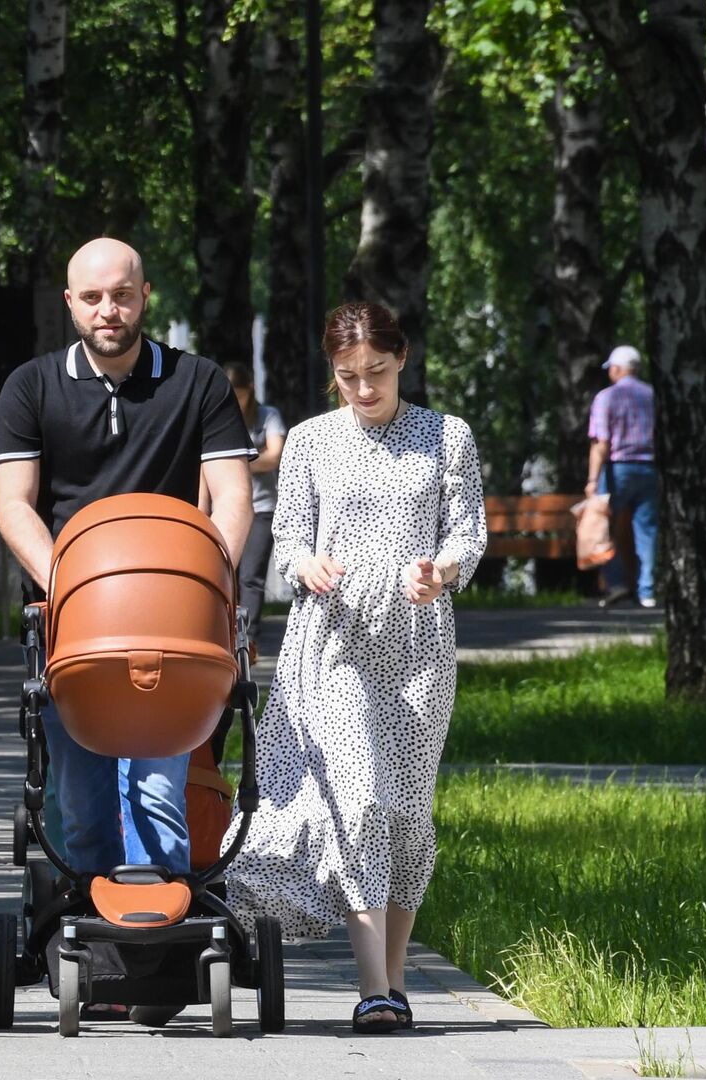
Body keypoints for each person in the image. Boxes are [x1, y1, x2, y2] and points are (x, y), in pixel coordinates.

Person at [0, 237, 256, 1024]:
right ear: (70, 304)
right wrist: (71, 583)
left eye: (123, 295)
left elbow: (231, 499)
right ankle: (101, 953)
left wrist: (207, 580)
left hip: (173, 621)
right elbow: (15, 505)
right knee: (78, 797)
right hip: (78, 618)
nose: (110, 311)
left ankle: (159, 957)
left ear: (146, 296)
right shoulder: (32, 386)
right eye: (93, 298)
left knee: (158, 785)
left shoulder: (198, 382)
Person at [223, 301, 487, 1035]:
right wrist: (306, 564)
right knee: (361, 796)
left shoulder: (447, 435)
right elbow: (290, 538)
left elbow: (468, 529)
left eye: (375, 372)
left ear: (402, 359)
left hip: (417, 641)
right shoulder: (309, 440)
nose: (363, 388)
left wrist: (443, 569)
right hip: (334, 638)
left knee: (406, 811)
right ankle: (371, 983)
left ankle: (394, 980)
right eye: (346, 377)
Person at [207, 360, 286, 636]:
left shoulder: (267, 416)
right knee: (223, 574)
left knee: (251, 576)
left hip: (262, 507)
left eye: (238, 395)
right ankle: (221, 633)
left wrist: (230, 464)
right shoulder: (216, 415)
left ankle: (248, 637)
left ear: (250, 390)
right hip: (223, 510)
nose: (235, 401)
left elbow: (275, 455)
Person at [585, 344, 658, 608]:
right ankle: (647, 591)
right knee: (647, 531)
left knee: (602, 527)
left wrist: (593, 480)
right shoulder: (653, 395)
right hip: (650, 468)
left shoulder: (607, 397)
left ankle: (616, 584)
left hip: (618, 469)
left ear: (616, 369)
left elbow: (601, 443)